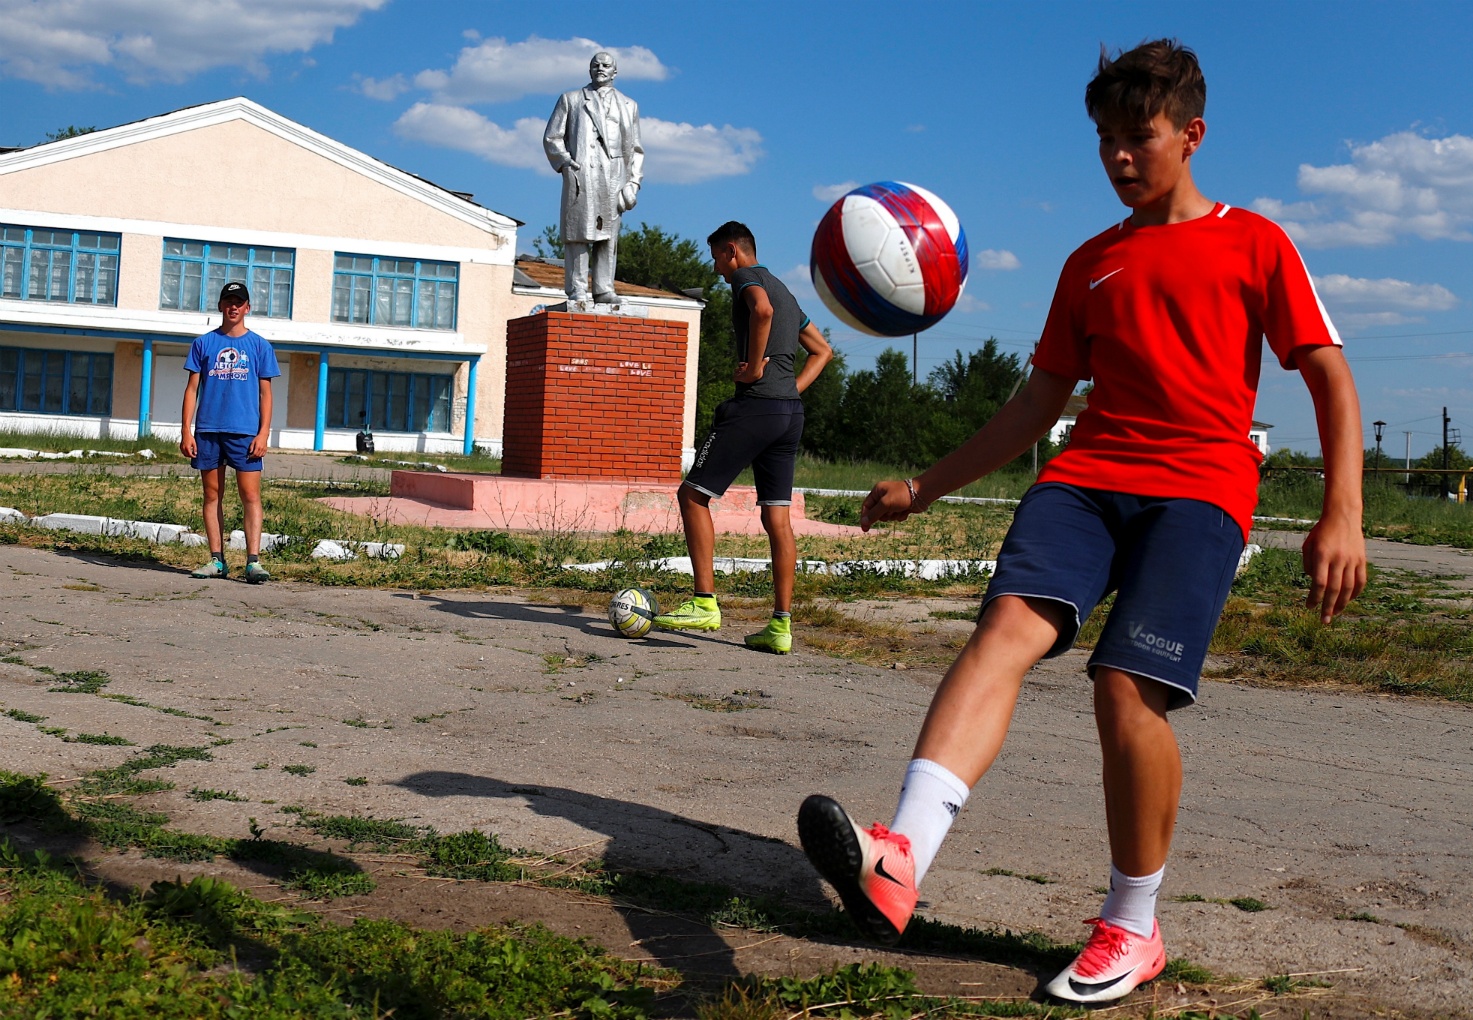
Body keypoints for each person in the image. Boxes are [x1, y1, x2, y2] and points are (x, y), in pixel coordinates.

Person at [796, 40, 1366, 1005]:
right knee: (1004, 632)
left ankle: (1132, 927)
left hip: (1201, 490)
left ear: (1190, 135)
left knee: (1124, 690)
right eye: (1104, 141)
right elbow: (1033, 408)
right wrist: (923, 487)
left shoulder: (1254, 242)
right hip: (1086, 479)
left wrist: (1340, 513)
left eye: (1137, 138)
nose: (1117, 158)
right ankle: (899, 857)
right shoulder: (1090, 263)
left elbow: (1326, 374)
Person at [654, 222, 834, 653]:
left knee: (692, 496)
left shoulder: (746, 279)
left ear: (732, 251)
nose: (716, 268)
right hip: (789, 414)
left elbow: (762, 311)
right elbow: (822, 350)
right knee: (778, 518)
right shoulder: (786, 290)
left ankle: (704, 602)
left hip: (754, 407)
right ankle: (780, 627)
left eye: (717, 258)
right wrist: (787, 391)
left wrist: (755, 370)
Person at [179, 281, 281, 584]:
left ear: (247, 308)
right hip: (209, 431)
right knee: (212, 494)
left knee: (250, 494)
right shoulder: (203, 344)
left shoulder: (260, 346)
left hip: (245, 433)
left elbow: (266, 394)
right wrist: (187, 431)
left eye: (239, 302)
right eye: (228, 301)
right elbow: (192, 389)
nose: (233, 307)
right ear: (221, 306)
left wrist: (263, 434)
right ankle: (217, 559)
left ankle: (253, 562)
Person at [543, 51, 645, 306]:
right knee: (579, 232)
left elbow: (635, 149)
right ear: (589, 70)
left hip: (614, 176)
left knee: (608, 235)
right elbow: (552, 137)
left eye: (606, 65)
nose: (600, 68)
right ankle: (577, 289)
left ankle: (604, 288)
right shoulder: (572, 99)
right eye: (595, 65)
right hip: (583, 173)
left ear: (615, 71)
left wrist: (633, 182)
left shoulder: (629, 105)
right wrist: (566, 163)